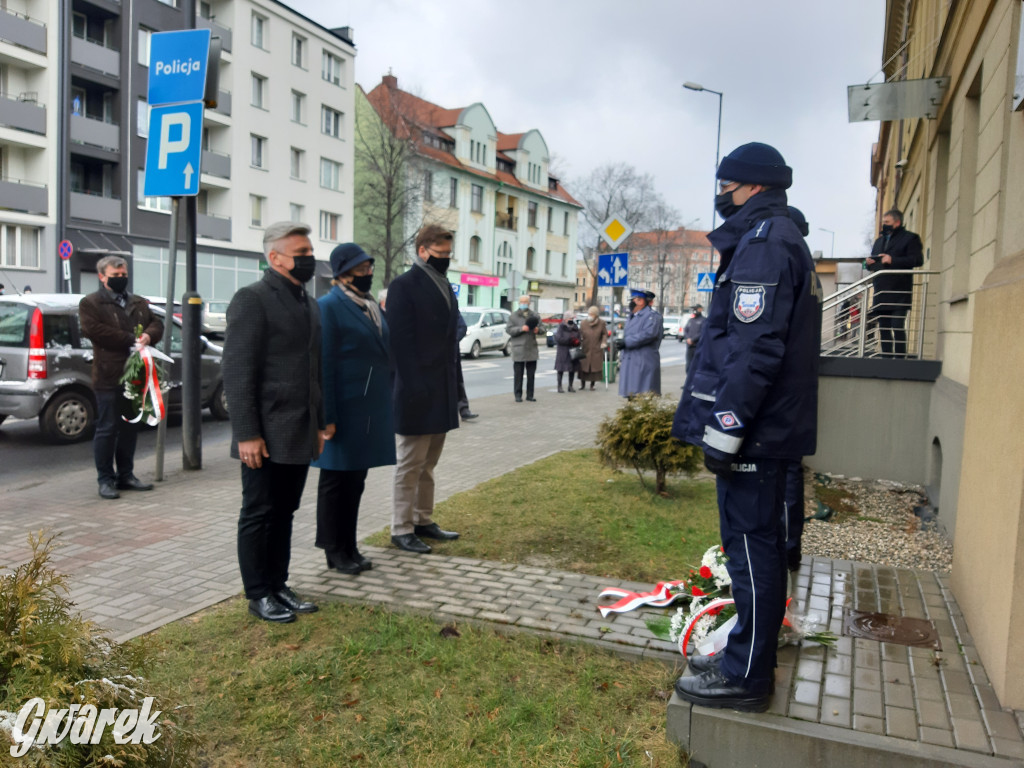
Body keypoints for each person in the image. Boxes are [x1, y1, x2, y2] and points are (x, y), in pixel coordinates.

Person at [671, 142, 822, 712]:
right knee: (754, 551)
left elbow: (755, 348)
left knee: (752, 555)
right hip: (768, 428)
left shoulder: (763, 246)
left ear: (753, 186)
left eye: (727, 187)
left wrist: (725, 429)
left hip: (756, 432)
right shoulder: (778, 240)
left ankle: (746, 678)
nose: (721, 197)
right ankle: (746, 654)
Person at [222, 221, 327, 623]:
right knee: (259, 511)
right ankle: (258, 593)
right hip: (264, 431)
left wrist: (321, 423)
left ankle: (279, 584)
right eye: (301, 253)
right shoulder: (252, 299)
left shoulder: (308, 301)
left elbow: (315, 368)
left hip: (300, 427)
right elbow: (238, 371)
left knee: (285, 510)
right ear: (275, 257)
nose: (308, 259)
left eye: (309, 252)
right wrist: (246, 433)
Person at [313, 243, 395, 575]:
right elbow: (325, 366)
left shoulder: (370, 305)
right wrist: (326, 418)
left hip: (367, 410)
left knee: (355, 483)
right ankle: (334, 551)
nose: (368, 274)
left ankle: (350, 545)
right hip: (342, 411)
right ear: (343, 274)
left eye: (370, 268)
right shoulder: (328, 307)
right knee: (336, 484)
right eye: (362, 270)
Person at [387, 224, 461, 554]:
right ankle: (401, 528)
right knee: (410, 464)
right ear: (423, 251)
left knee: (429, 464)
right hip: (416, 392)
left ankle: (422, 519)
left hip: (441, 389)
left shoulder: (444, 284)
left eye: (448, 254)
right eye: (441, 254)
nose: (446, 260)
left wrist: (455, 387)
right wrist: (415, 387)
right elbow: (400, 343)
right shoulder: (404, 286)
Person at [79, 256, 163, 500]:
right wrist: (131, 339)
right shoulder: (91, 303)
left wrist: (148, 336)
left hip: (134, 376)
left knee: (129, 427)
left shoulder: (137, 301)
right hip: (108, 376)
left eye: (123, 274)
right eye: (115, 276)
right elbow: (94, 331)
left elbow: (157, 324)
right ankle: (105, 479)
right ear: (102, 277)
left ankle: (126, 475)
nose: (121, 279)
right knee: (107, 428)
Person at [865, 208, 923, 357]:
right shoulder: (880, 241)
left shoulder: (910, 238)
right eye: (883, 222)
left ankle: (899, 360)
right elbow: (877, 264)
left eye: (887, 222)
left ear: (897, 223)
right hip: (882, 291)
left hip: (899, 291)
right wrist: (870, 263)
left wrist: (893, 260)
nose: (884, 225)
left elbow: (917, 260)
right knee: (883, 328)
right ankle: (887, 358)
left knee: (897, 326)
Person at [616, 289, 662, 397]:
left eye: (633, 300)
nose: (631, 303)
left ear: (641, 301)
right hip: (631, 360)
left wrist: (626, 342)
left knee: (642, 396)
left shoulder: (652, 316)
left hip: (643, 361)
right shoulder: (632, 316)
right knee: (631, 395)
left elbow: (649, 334)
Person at [506, 295, 541, 402]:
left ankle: (530, 395)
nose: (523, 304)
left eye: (525, 302)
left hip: (531, 348)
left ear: (529, 303)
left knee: (531, 374)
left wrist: (538, 330)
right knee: (518, 374)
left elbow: (543, 328)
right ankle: (518, 395)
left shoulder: (535, 315)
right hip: (518, 349)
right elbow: (509, 330)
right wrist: (521, 329)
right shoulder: (513, 316)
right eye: (521, 302)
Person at [577, 306, 607, 391]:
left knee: (594, 368)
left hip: (596, 349)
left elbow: (604, 334)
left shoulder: (601, 323)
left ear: (596, 315)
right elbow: (579, 333)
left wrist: (603, 342)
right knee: (583, 367)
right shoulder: (583, 323)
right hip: (585, 348)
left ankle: (592, 385)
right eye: (589, 314)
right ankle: (582, 385)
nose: (590, 316)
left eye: (592, 314)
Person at [455, 313, 478, 420]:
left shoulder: (452, 308)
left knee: (457, 383)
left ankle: (464, 410)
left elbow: (462, 327)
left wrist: (452, 341)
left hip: (451, 354)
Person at [553, 312, 582, 392]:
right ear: (565, 319)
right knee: (560, 369)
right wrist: (569, 340)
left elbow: (579, 337)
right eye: (570, 318)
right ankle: (559, 386)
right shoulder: (561, 327)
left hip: (573, 351)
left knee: (572, 369)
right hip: (563, 351)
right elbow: (558, 339)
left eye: (573, 318)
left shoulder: (575, 327)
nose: (572, 320)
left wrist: (577, 341)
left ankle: (570, 386)